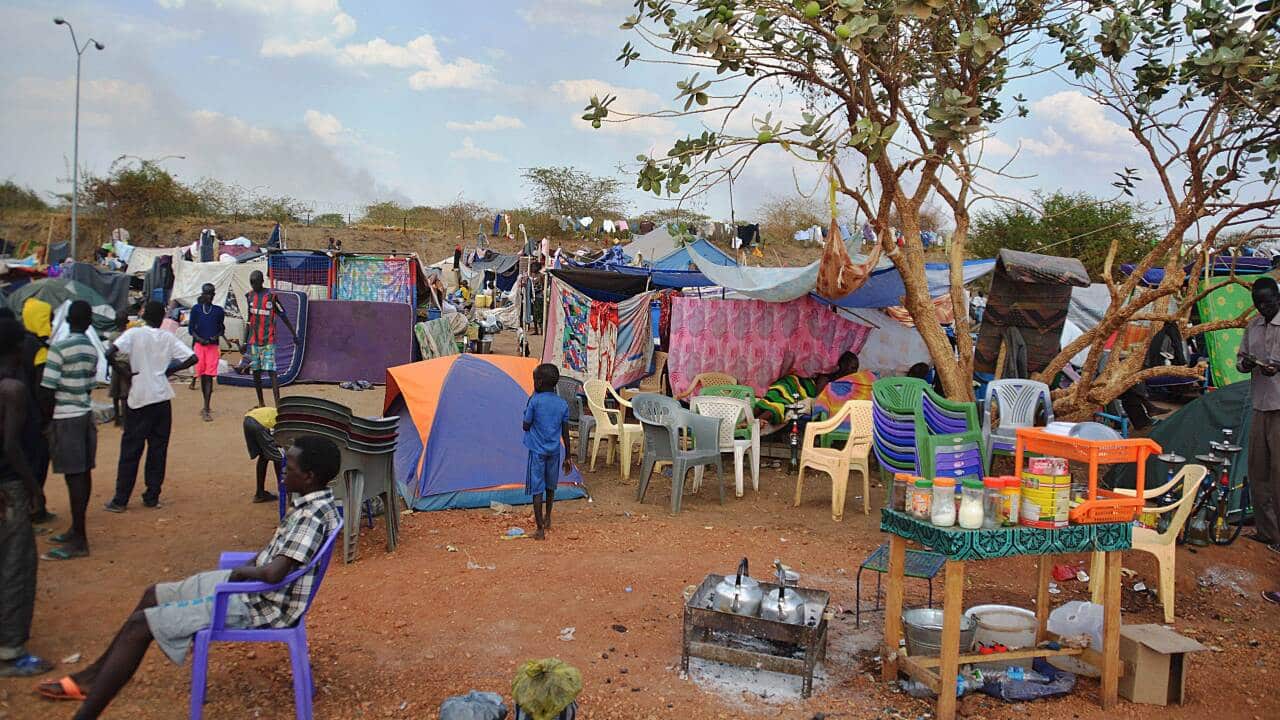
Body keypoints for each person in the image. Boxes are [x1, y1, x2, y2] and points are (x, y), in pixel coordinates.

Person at [36, 436, 343, 718]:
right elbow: (276, 560)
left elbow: (274, 573)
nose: (282, 471)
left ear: (309, 477)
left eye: (289, 467)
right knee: (153, 594)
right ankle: (91, 678)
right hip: (252, 591)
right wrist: (246, 569)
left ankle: (86, 714)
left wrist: (239, 572)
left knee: (140, 625)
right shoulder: (316, 503)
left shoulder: (310, 517)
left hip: (258, 605)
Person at [104, 301, 196, 512]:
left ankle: (120, 499)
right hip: (162, 396)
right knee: (158, 449)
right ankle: (152, 495)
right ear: (162, 318)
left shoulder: (134, 334)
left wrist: (124, 373)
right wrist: (168, 371)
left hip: (139, 396)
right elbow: (192, 358)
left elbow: (110, 353)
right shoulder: (167, 337)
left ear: (144, 315)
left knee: (131, 449)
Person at [0, 318, 52, 677]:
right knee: (16, 565)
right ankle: (10, 651)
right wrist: (35, 487)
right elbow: (10, 446)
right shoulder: (12, 389)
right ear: (18, 348)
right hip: (9, 487)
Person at [38, 301, 99, 560]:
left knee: (73, 477)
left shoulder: (59, 348)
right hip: (85, 415)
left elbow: (47, 389)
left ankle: (79, 539)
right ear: (88, 322)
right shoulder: (91, 349)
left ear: (67, 321)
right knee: (82, 473)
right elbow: (90, 385)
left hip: (65, 417)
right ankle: (76, 529)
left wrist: (45, 422)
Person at [1237, 276, 1280, 554]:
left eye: (1268, 302)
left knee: (1279, 473)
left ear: (1278, 298)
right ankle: (1267, 532)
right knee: (1258, 471)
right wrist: (1246, 364)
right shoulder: (1253, 326)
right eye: (1258, 304)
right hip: (1260, 404)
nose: (1263, 308)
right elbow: (1241, 359)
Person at [523, 364, 573, 541]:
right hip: (555, 452)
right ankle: (548, 518)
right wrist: (568, 456)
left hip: (537, 452)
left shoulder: (534, 401)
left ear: (539, 382)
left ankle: (539, 530)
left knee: (537, 489)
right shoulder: (562, 404)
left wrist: (530, 402)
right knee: (550, 486)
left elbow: (525, 425)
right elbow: (565, 433)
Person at [243, 271, 296, 407]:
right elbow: (249, 320)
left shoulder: (271, 297)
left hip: (268, 341)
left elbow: (282, 315)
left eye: (255, 283)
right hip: (254, 341)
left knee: (272, 371)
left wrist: (294, 334)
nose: (253, 285)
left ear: (261, 282)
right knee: (256, 372)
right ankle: (261, 403)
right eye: (251, 283)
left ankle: (278, 404)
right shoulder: (249, 297)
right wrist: (244, 341)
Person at [187, 283, 226, 422]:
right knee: (202, 375)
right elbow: (191, 329)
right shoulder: (196, 309)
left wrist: (215, 337)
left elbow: (221, 328)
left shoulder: (218, 311)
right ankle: (205, 404)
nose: (209, 296)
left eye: (211, 294)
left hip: (212, 347)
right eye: (206, 294)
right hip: (200, 345)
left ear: (214, 295)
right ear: (202, 294)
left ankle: (206, 407)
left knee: (209, 376)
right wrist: (199, 339)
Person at [244, 405, 282, 503]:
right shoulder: (287, 422)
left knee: (263, 456)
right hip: (259, 424)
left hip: (248, 420)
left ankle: (260, 493)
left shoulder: (278, 413)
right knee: (278, 457)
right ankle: (283, 490)